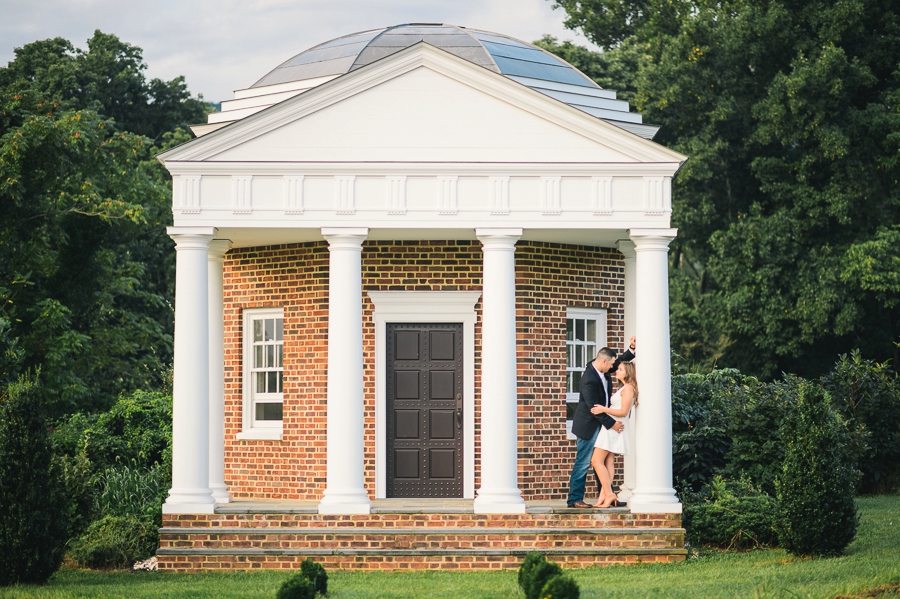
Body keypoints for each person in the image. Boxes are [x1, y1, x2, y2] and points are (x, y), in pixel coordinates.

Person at [566, 336, 636, 508]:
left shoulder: (601, 368)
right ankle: (574, 499)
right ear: (604, 361)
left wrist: (632, 349)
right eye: (611, 365)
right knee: (583, 462)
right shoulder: (589, 379)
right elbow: (593, 408)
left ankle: (606, 496)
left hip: (603, 423)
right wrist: (612, 423)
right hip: (589, 425)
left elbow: (619, 362)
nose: (613, 368)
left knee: (605, 462)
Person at [589, 361, 638, 508]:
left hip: (614, 427)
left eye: (620, 369)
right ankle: (603, 497)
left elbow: (624, 412)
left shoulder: (628, 389)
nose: (616, 371)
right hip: (611, 426)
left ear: (628, 372)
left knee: (596, 461)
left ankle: (609, 494)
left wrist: (604, 409)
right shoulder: (624, 388)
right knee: (608, 462)